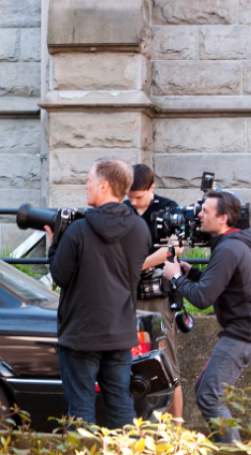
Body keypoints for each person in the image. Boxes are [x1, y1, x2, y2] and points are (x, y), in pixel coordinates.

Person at [163, 190, 251, 443]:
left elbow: (203, 299)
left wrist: (176, 277)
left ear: (222, 218)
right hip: (248, 330)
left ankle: (232, 449)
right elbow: (219, 285)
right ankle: (229, 444)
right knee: (206, 390)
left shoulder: (228, 248)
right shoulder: (233, 244)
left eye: (205, 211)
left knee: (209, 395)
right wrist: (190, 273)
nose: (198, 215)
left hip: (246, 332)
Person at [46, 157, 150, 429]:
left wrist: (54, 244)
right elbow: (130, 276)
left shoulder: (78, 229)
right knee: (121, 407)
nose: (85, 186)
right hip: (120, 331)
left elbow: (60, 276)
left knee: (80, 408)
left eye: (89, 181)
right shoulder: (140, 228)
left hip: (81, 334)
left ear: (103, 186)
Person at [123, 164, 185, 421]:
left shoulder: (168, 209)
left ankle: (178, 428)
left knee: (166, 360)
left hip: (157, 295)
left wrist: (146, 261)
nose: (134, 202)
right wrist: (154, 258)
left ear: (152, 188)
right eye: (130, 196)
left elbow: (176, 250)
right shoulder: (121, 209)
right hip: (125, 291)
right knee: (127, 362)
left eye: (139, 196)